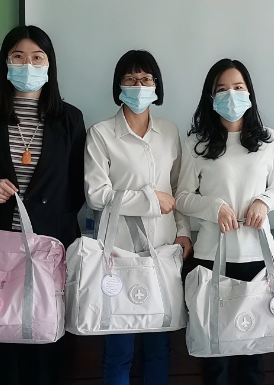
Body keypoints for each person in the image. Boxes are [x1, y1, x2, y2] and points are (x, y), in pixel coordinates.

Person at [0, 25, 86, 385]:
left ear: (49, 64)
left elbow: (79, 185)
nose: (27, 65)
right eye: (18, 57)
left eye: (37, 57)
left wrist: (48, 217)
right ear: (5, 63)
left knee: (43, 336)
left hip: (48, 246)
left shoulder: (70, 118)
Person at [84, 49, 193, 385]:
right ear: (119, 86)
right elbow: (96, 195)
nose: (138, 86)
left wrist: (184, 231)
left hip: (164, 249)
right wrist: (149, 200)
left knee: (160, 346)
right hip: (118, 253)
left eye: (146, 79)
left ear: (156, 85)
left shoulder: (169, 131)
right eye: (130, 79)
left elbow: (177, 189)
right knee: (119, 348)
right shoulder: (101, 133)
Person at [175, 59, 274, 385]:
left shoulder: (268, 139)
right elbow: (182, 197)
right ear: (211, 97)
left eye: (238, 87)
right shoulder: (197, 142)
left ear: (249, 92)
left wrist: (263, 202)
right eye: (222, 89)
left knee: (254, 352)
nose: (231, 95)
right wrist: (214, 207)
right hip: (212, 258)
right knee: (217, 356)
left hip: (259, 258)